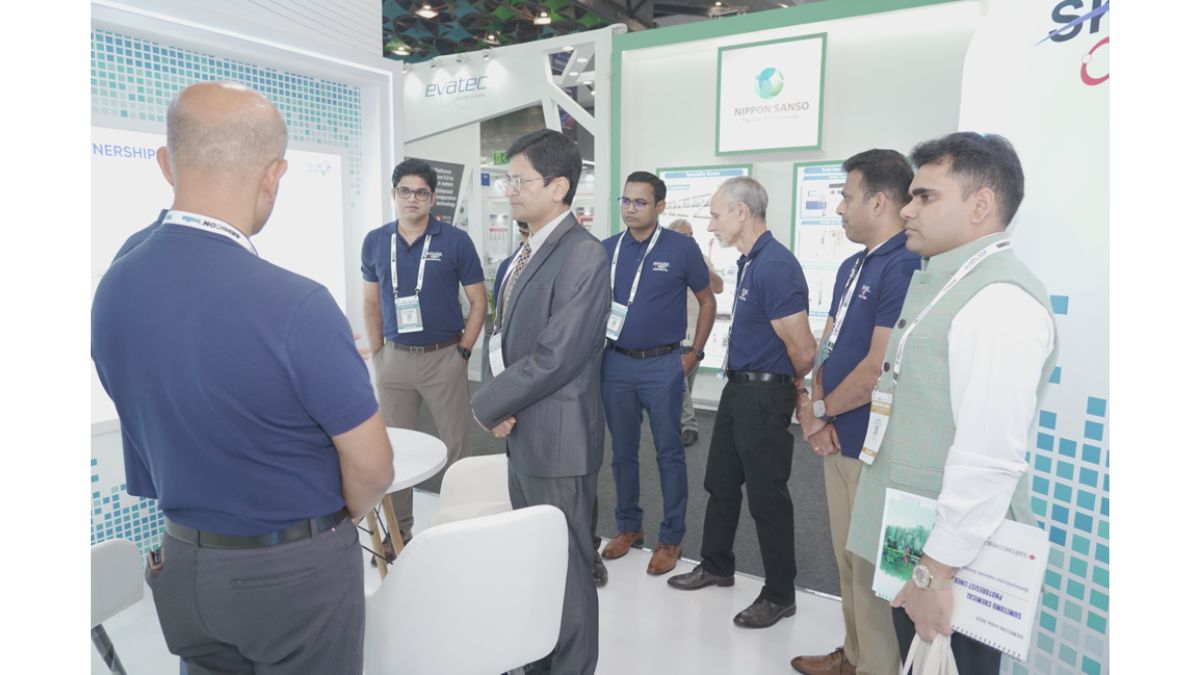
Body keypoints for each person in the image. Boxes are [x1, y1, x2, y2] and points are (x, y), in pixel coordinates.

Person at [91, 81, 394, 674]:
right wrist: (329, 529)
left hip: (183, 564)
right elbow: (374, 467)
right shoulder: (298, 304)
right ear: (273, 176)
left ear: (165, 163)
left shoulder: (114, 288)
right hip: (291, 573)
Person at [844, 132, 1057, 674]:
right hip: (914, 531)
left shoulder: (1001, 302)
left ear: (981, 204)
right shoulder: (945, 281)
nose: (907, 209)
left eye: (925, 196)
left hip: (951, 555)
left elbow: (989, 457)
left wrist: (934, 572)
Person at [471, 129, 610, 675]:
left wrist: (487, 402)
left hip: (558, 441)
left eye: (518, 180)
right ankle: (537, 660)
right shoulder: (521, 255)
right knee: (536, 562)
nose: (509, 191)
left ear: (558, 187)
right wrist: (501, 403)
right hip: (522, 428)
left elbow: (557, 356)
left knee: (569, 571)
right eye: (507, 180)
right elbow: (502, 337)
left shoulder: (584, 254)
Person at [790, 150, 921, 675]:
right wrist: (812, 408)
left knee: (871, 568)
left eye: (847, 197)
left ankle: (876, 666)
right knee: (846, 557)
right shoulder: (852, 265)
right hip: (835, 433)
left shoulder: (904, 264)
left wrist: (821, 410)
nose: (839, 208)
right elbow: (827, 344)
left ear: (880, 201)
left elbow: (876, 368)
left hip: (873, 444)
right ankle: (854, 653)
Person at [666, 176, 817, 630]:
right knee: (721, 482)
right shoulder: (751, 262)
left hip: (764, 394)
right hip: (739, 389)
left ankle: (780, 594)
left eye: (715, 215)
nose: (711, 225)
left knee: (767, 496)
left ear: (741, 212)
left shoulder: (775, 266)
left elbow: (804, 351)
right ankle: (717, 565)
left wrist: (788, 389)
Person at [361, 158, 487, 545]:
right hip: (394, 361)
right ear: (393, 194)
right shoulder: (376, 241)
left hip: (444, 358)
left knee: (456, 447)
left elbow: (479, 303)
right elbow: (371, 304)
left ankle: (458, 527)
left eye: (420, 192)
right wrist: (380, 354)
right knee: (395, 449)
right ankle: (399, 529)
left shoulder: (455, 241)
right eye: (405, 191)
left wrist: (463, 352)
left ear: (432, 198)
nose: (412, 198)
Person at [598, 173, 716, 576]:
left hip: (663, 365)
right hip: (615, 363)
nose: (630, 209)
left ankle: (671, 537)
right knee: (622, 453)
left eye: (640, 202)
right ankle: (629, 526)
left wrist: (694, 353)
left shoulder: (681, 248)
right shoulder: (607, 249)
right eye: (625, 201)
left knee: (669, 453)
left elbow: (707, 301)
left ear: (660, 206)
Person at [667, 218, 724, 447]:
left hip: (697, 335)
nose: (689, 240)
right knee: (679, 384)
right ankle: (689, 426)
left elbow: (718, 287)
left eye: (691, 235)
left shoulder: (701, 261)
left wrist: (700, 264)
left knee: (684, 388)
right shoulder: (666, 260)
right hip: (673, 337)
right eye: (684, 236)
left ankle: (675, 427)